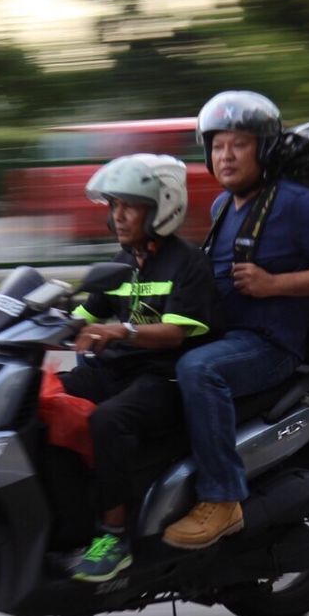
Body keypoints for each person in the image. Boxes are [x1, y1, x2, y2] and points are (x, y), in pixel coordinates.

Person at [163, 91, 309, 550]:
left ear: (265, 149)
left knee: (199, 370)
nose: (226, 155)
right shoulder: (222, 208)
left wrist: (276, 285)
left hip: (269, 345)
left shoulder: (293, 204)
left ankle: (222, 499)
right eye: (217, 146)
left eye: (238, 144)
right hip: (226, 335)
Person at [58, 153, 218, 582]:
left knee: (108, 422)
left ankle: (114, 537)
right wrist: (42, 311)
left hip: (163, 378)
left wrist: (121, 332)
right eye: (113, 205)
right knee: (47, 397)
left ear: (162, 207)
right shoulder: (123, 261)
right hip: (115, 370)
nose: (118, 215)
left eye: (129, 205)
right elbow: (87, 316)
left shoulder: (188, 263)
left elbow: (175, 334)